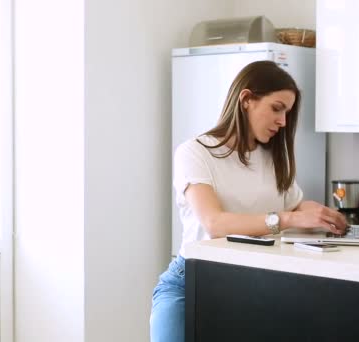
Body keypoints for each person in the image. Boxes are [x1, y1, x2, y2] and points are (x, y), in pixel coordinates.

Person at [149, 60, 348, 342]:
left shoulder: (272, 157)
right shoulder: (195, 152)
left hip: (253, 283)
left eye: (288, 113)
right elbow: (215, 223)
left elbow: (294, 203)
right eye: (277, 108)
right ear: (246, 100)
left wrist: (318, 213)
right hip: (192, 282)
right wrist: (288, 219)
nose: (283, 121)